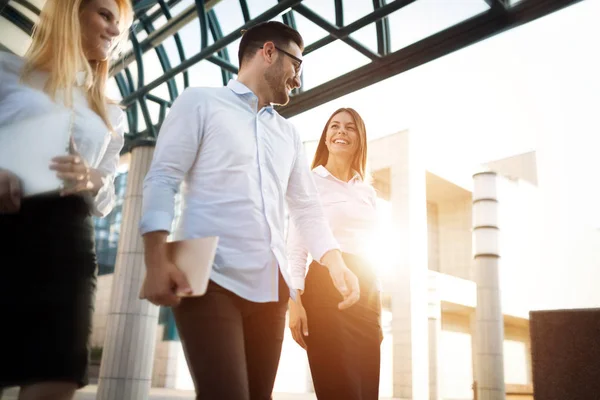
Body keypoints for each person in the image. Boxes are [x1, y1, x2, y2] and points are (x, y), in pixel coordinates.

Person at [139, 21, 360, 400]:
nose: (298, 80)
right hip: (208, 278)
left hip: (271, 289)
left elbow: (306, 208)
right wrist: (156, 259)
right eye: (297, 65)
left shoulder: (288, 134)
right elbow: (162, 178)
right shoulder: (200, 103)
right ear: (269, 52)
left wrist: (336, 262)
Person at [0, 0, 132, 399]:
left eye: (120, 24)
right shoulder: (7, 74)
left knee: (56, 374)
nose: (114, 31)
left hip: (69, 243)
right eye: (105, 16)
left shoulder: (111, 113)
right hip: (7, 224)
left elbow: (106, 197)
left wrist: (94, 180)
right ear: (70, 12)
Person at [287, 108, 383, 400]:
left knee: (367, 392)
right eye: (335, 126)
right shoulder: (309, 182)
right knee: (340, 390)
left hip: (367, 295)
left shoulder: (367, 191)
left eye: (349, 127)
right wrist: (295, 303)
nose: (341, 131)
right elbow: (295, 249)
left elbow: (372, 246)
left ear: (360, 138)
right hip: (326, 293)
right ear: (326, 137)